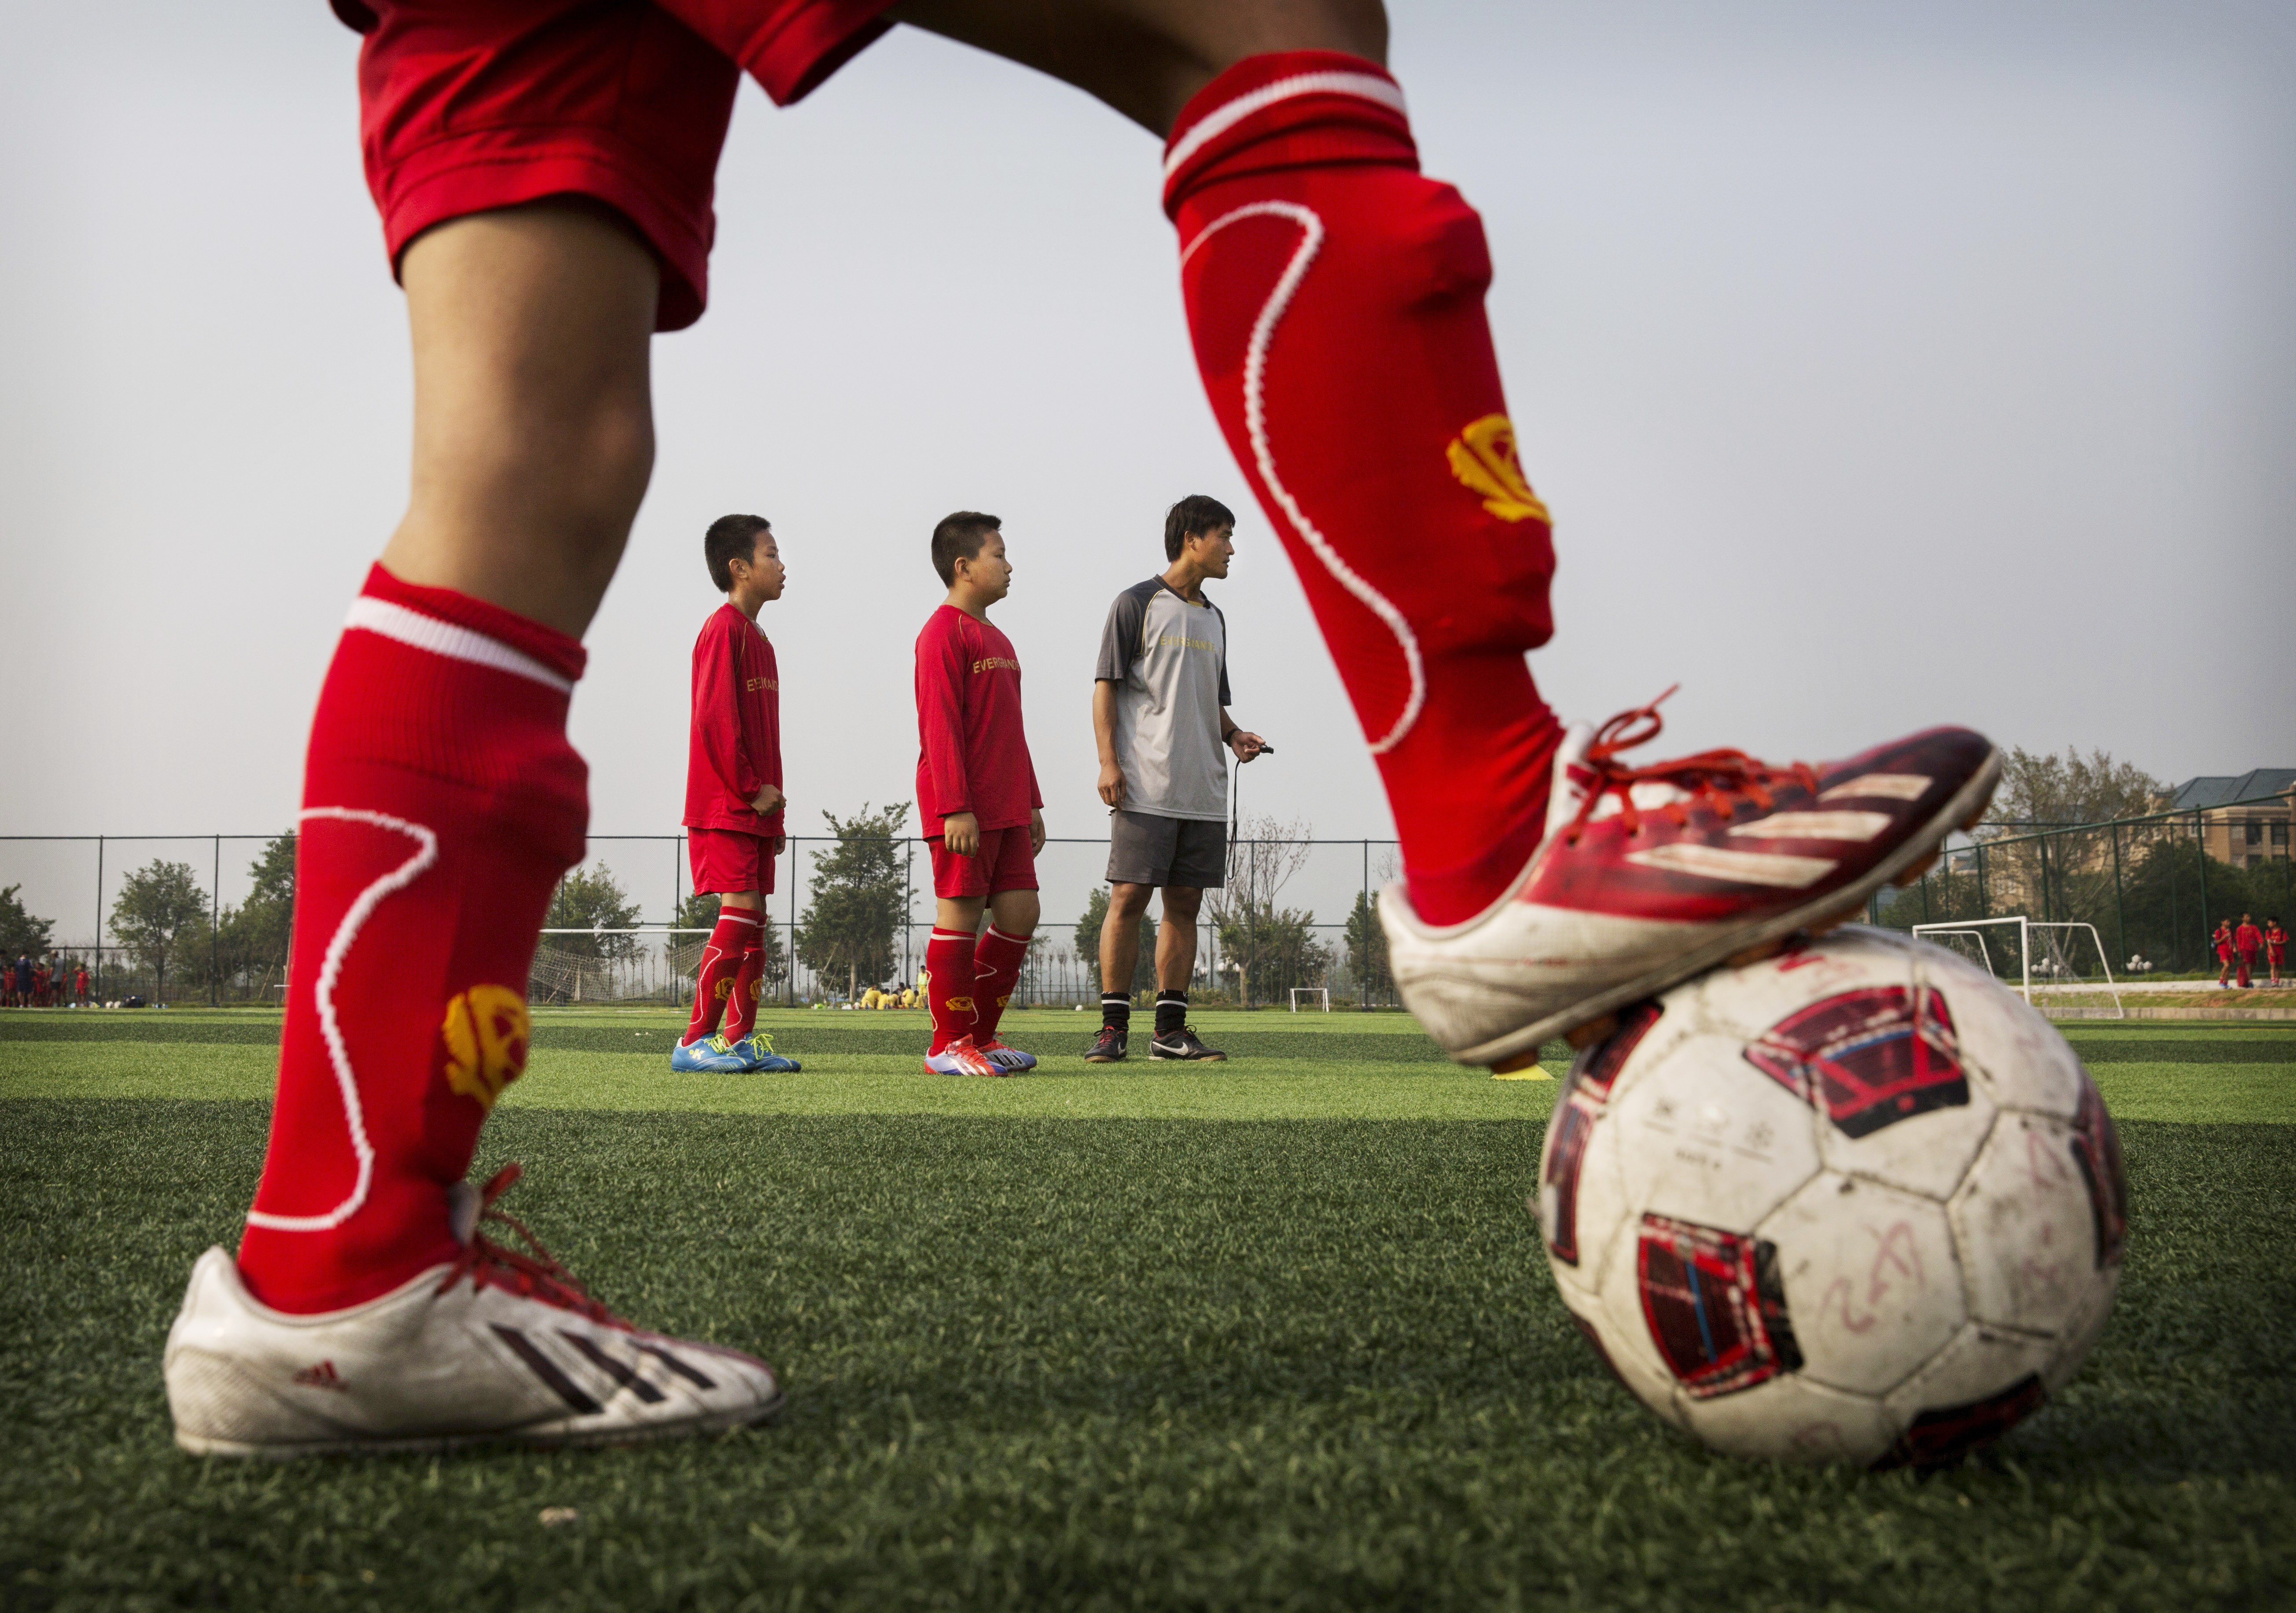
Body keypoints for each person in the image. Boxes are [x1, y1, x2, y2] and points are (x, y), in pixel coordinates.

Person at [162, 0, 1997, 1458]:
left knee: (528, 453)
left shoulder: (1045, 627)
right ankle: (1487, 818)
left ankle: (344, 1266)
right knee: (1263, 21)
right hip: (975, 815)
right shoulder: (1001, 630)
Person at [1088, 494, 1266, 1063]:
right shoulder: (1135, 603)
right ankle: (1113, 1029)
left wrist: (1234, 735)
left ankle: (1170, 1032)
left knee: (1185, 904)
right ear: (1193, 538)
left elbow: (1211, 701)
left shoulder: (1215, 617)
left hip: (1204, 790)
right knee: (1129, 897)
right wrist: (1108, 762)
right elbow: (1106, 687)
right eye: (1224, 536)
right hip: (1147, 783)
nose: (1232, 549)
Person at [914, 512, 1045, 1076]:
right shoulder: (941, 632)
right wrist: (953, 807)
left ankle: (981, 1038)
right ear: (963, 567)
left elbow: (1010, 728)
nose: (1009, 564)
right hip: (963, 809)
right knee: (960, 918)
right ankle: (946, 1044)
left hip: (1008, 805)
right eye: (999, 554)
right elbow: (938, 726)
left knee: (1021, 913)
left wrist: (1032, 801)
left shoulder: (997, 636)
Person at [673, 514, 802, 1076]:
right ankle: (693, 1040)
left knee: (756, 921)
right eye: (771, 554)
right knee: (742, 913)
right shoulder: (721, 629)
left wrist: (770, 811)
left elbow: (759, 735)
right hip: (726, 805)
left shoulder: (761, 639)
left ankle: (739, 1038)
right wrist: (751, 791)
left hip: (754, 809)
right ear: (739, 568)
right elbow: (714, 721)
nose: (782, 565)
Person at [2234, 913, 2263, 991]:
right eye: (2246, 917)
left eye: (2249, 917)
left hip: (2253, 948)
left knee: (2254, 964)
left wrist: (2261, 942)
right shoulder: (2240, 929)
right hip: (2245, 949)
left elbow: (2258, 935)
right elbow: (2238, 940)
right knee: (2248, 964)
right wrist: (2240, 951)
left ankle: (2246, 979)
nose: (2248, 918)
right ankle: (2250, 981)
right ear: (2243, 919)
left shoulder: (2254, 927)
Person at [2213, 921, 2236, 987]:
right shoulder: (2219, 931)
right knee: (2226, 965)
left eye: (2229, 922)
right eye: (2227, 922)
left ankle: (2226, 984)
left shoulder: (2231, 931)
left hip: (2230, 951)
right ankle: (2221, 981)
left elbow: (2233, 940)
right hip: (2222, 950)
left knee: (2228, 968)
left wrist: (2234, 948)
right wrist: (2224, 938)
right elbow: (2217, 942)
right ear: (2222, 922)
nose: (2229, 923)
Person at [2267, 917, 2288, 987]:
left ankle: (2277, 982)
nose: (2269, 924)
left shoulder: (2282, 931)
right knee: (2273, 966)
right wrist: (2272, 950)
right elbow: (2269, 942)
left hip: (2280, 951)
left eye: (2270, 922)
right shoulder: (2268, 932)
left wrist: (2276, 943)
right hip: (2272, 951)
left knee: (2279, 967)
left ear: (2275, 923)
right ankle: (2273, 982)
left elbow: (2285, 941)